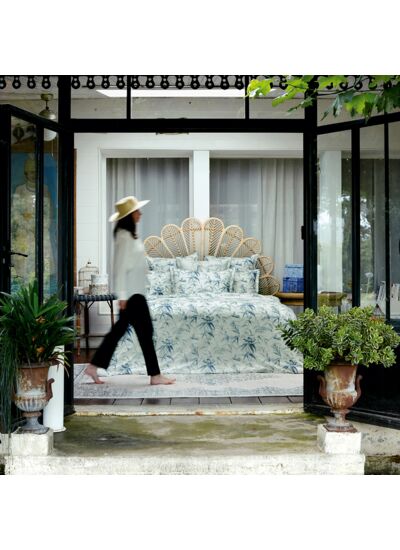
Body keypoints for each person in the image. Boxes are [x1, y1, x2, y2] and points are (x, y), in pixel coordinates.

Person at [84, 196, 175, 385]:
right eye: (137, 211)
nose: (140, 213)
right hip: (132, 296)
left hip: (136, 292)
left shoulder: (130, 234)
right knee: (144, 332)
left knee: (122, 332)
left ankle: (94, 366)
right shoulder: (124, 237)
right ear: (130, 215)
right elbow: (119, 267)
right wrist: (123, 296)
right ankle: (155, 375)